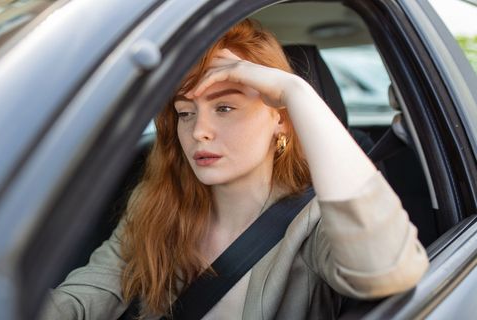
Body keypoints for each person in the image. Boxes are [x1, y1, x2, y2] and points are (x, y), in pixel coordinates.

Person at [40, 19, 429, 320]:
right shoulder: (156, 203)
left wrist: (297, 93)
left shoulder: (314, 224)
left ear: (281, 120)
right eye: (185, 113)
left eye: (225, 107)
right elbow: (82, 298)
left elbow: (388, 269)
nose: (199, 132)